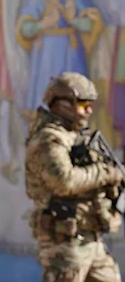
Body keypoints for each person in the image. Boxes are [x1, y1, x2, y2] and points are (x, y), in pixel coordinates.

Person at [25, 71, 123, 282]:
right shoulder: (48, 139)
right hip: (64, 242)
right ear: (63, 104)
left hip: (91, 237)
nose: (88, 111)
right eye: (82, 105)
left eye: (90, 105)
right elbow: (65, 181)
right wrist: (105, 173)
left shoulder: (76, 137)